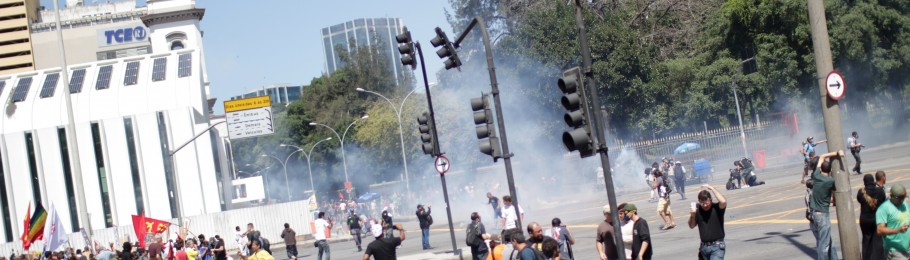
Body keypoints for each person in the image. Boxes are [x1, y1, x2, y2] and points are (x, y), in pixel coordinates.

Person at [809, 151, 842, 260]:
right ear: (830, 170)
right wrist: (839, 154)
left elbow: (822, 156)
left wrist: (836, 152)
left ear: (821, 169)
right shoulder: (830, 181)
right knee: (824, 245)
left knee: (828, 241)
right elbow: (834, 192)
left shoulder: (816, 175)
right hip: (822, 215)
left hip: (815, 214)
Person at [688, 185, 727, 260]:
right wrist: (692, 216)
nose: (705, 205)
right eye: (702, 203)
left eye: (707, 202)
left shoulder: (716, 208)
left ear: (710, 200)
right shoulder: (698, 209)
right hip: (703, 248)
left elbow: (723, 201)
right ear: (699, 201)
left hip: (717, 247)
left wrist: (712, 188)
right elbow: (691, 226)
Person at [877, 183, 910, 259]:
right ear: (892, 196)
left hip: (907, 248)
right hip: (895, 251)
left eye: (904, 197)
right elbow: (879, 230)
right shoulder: (884, 208)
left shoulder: (904, 204)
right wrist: (898, 230)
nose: (902, 200)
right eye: (900, 198)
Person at [858, 174, 886, 260]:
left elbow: (859, 200)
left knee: (866, 241)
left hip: (865, 220)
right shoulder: (880, 191)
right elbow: (883, 201)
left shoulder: (861, 192)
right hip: (876, 219)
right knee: (877, 241)